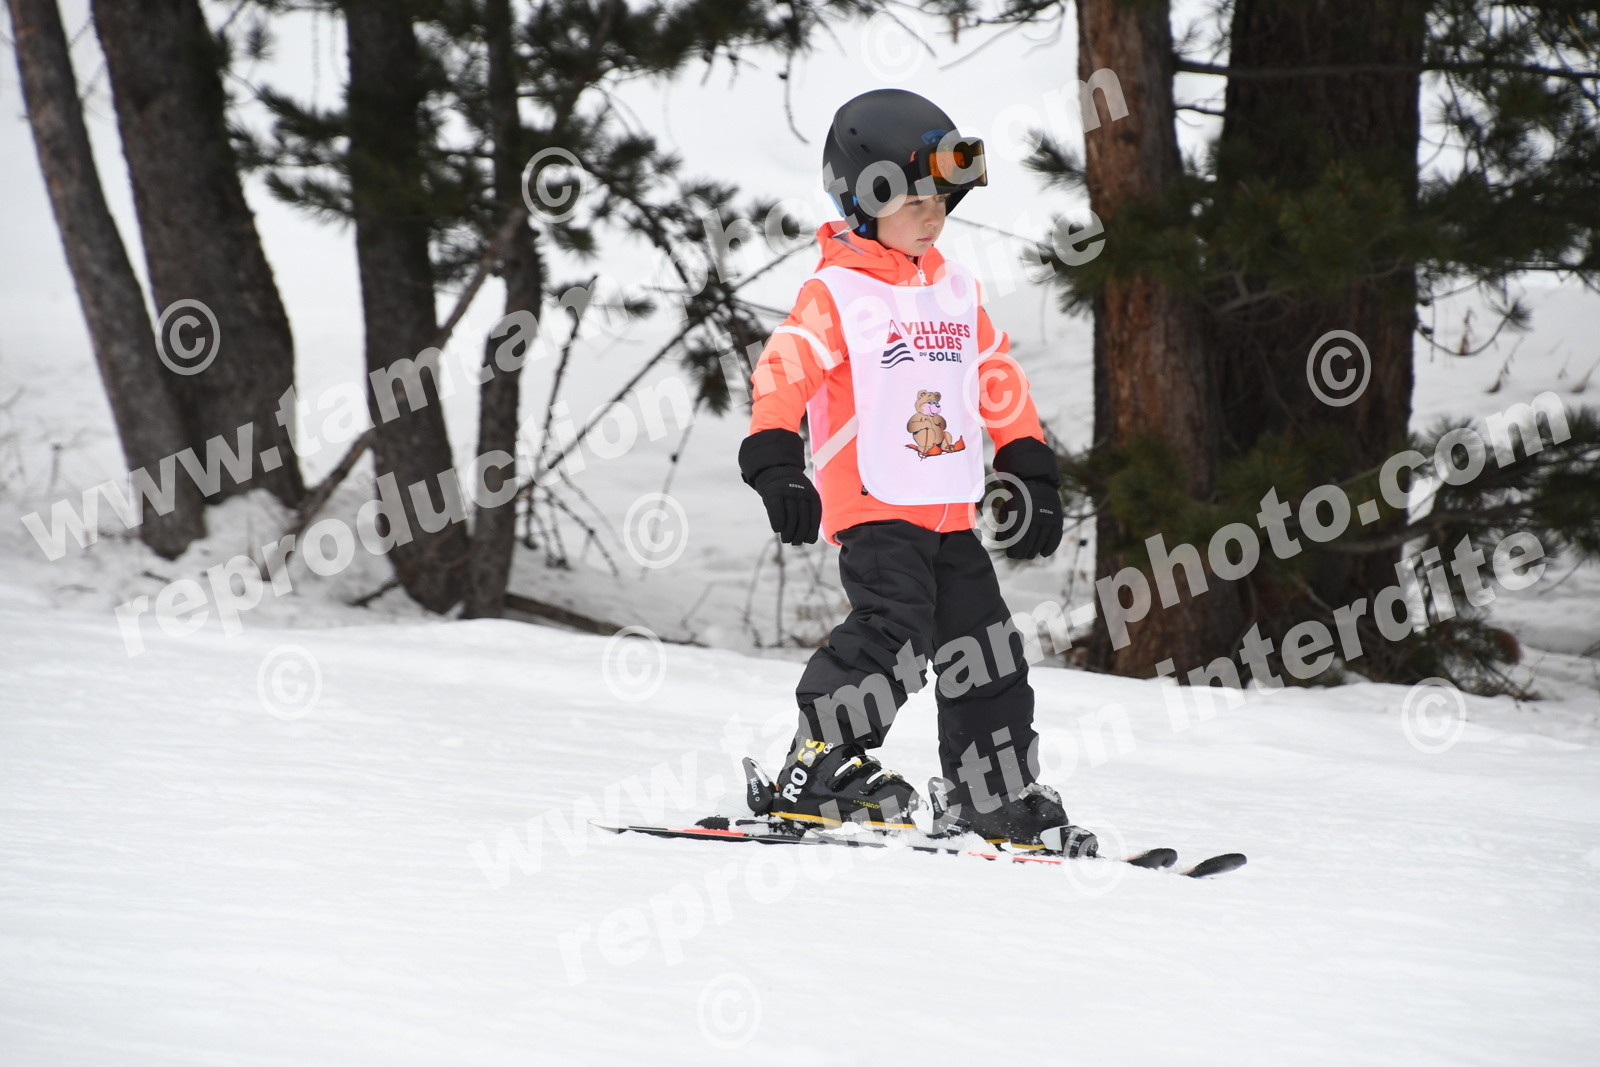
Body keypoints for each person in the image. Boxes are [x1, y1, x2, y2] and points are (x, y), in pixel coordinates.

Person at [737, 89, 1091, 854]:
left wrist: (1028, 462)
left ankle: (989, 792)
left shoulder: (953, 289)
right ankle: (819, 763)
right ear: (863, 201)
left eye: (943, 200)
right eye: (916, 200)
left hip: (949, 513)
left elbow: (995, 373)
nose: (934, 216)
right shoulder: (836, 292)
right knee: (892, 636)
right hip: (876, 509)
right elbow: (785, 370)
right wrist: (774, 456)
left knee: (986, 649)